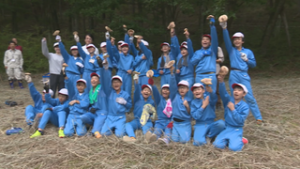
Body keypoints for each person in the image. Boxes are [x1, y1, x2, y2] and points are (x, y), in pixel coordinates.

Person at [219, 15, 263, 123]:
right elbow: (226, 40)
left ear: (242, 41)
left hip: (243, 74)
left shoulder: (248, 51)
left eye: (239, 39)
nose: (237, 41)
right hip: (233, 73)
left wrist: (247, 60)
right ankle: (231, 115)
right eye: (235, 39)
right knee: (234, 96)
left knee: (249, 96)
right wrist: (224, 28)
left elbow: (253, 64)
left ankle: (258, 118)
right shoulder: (231, 50)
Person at [213, 75, 249, 151]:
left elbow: (240, 120)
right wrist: (221, 81)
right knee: (217, 145)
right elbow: (223, 93)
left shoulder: (245, 106)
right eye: (235, 90)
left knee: (234, 148)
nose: (236, 91)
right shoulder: (228, 101)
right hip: (227, 127)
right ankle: (229, 140)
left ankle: (241, 141)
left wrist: (233, 109)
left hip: (236, 129)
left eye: (239, 90)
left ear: (244, 94)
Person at [191, 15, 218, 94]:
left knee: (212, 95)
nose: (205, 41)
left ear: (210, 42)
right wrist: (202, 54)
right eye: (203, 39)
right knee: (199, 96)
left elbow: (215, 39)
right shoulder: (198, 52)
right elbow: (192, 62)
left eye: (207, 40)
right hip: (199, 76)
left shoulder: (213, 50)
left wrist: (212, 25)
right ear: (201, 42)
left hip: (210, 75)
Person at [123, 77, 155, 142]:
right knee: (127, 125)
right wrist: (136, 83)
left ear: (150, 93)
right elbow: (136, 91)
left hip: (146, 121)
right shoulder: (137, 99)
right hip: (137, 120)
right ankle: (132, 137)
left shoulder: (152, 102)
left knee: (148, 129)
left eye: (148, 91)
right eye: (145, 90)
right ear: (141, 92)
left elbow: (152, 113)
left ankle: (148, 138)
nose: (146, 91)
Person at [100, 73, 132, 138]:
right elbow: (104, 82)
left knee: (119, 135)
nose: (116, 84)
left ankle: (119, 128)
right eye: (114, 82)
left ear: (121, 83)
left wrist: (125, 103)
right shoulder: (109, 92)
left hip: (120, 117)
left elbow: (129, 106)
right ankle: (113, 128)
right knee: (103, 134)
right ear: (112, 84)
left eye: (118, 82)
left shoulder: (125, 94)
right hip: (110, 117)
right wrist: (104, 70)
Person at [145, 77, 173, 144]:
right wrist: (152, 85)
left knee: (168, 131)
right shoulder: (159, 100)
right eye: (163, 89)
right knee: (157, 130)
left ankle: (165, 140)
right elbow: (155, 93)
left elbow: (174, 112)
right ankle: (153, 137)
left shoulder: (172, 101)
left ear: (170, 92)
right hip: (160, 121)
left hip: (169, 122)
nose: (165, 91)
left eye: (167, 90)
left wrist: (172, 121)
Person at [80, 73, 107, 138]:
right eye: (92, 78)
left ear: (99, 81)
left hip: (102, 112)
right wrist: (90, 109)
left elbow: (105, 79)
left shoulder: (102, 89)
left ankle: (93, 131)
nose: (93, 80)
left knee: (97, 129)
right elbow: (90, 104)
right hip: (94, 112)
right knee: (83, 117)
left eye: (95, 78)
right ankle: (96, 124)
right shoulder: (90, 91)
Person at [169, 66, 192, 143]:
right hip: (176, 123)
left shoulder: (189, 100)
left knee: (184, 141)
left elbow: (191, 113)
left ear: (187, 89)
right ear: (178, 89)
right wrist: (172, 74)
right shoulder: (174, 97)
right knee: (174, 140)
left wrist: (187, 106)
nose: (182, 89)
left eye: (184, 88)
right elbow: (172, 86)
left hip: (185, 123)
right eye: (180, 88)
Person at [176, 29, 195, 99]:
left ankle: (189, 107)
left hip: (189, 77)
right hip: (181, 77)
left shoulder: (190, 57)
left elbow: (190, 48)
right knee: (181, 93)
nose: (183, 51)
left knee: (188, 92)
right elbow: (177, 69)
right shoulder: (179, 59)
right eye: (182, 50)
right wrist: (177, 71)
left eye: (185, 49)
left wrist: (187, 38)